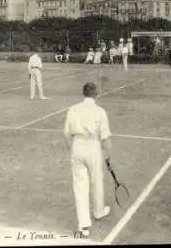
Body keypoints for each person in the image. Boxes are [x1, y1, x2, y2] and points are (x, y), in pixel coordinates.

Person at [63, 82, 112, 238]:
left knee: (80, 186)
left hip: (77, 147)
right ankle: (98, 212)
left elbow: (66, 134)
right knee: (97, 181)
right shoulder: (100, 111)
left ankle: (84, 225)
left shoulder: (73, 109)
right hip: (93, 147)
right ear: (96, 94)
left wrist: (72, 150)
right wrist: (107, 155)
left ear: (83, 93)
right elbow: (105, 138)